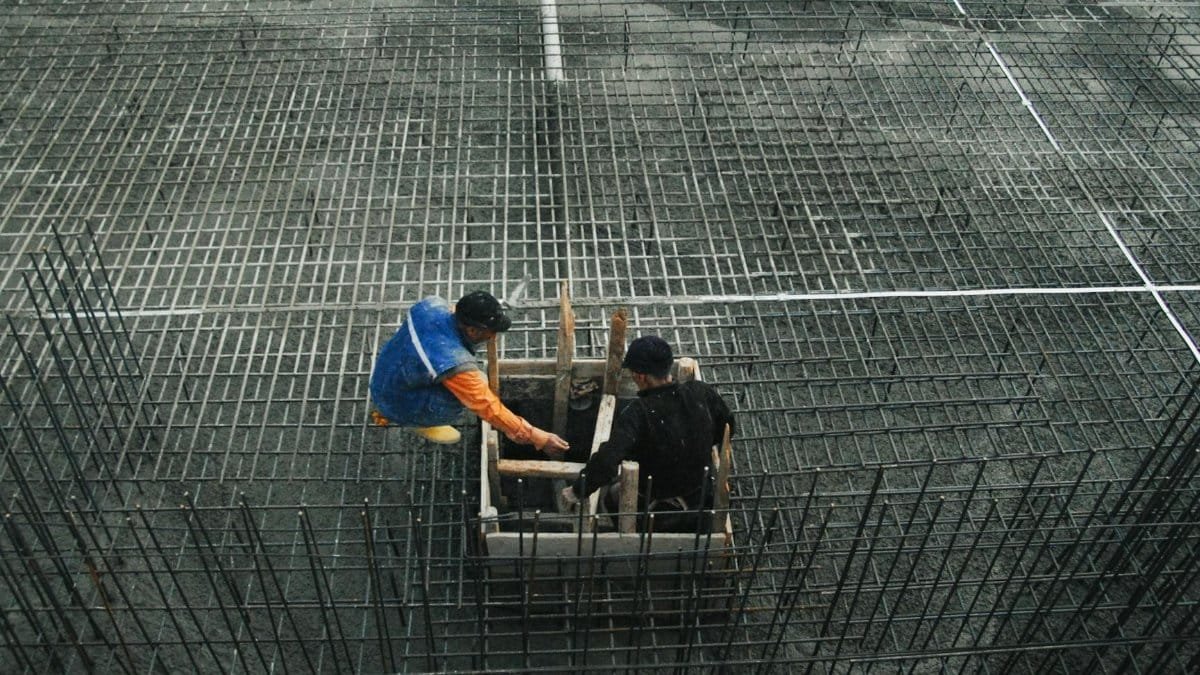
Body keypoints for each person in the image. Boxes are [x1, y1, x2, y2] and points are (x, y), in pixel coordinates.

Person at [560, 336, 734, 530]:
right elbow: (728, 426)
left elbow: (607, 461)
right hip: (700, 498)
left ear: (640, 376)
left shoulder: (638, 413)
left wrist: (577, 491)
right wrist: (695, 444)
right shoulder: (700, 392)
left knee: (612, 496)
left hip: (657, 509)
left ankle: (634, 535)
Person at [370, 291, 569, 453]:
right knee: (469, 391)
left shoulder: (431, 305)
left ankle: (394, 409)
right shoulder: (452, 361)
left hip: (384, 377)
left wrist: (492, 309)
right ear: (472, 330)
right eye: (490, 332)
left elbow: (457, 309)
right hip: (397, 402)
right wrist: (535, 436)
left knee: (471, 381)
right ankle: (417, 422)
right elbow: (485, 405)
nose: (493, 336)